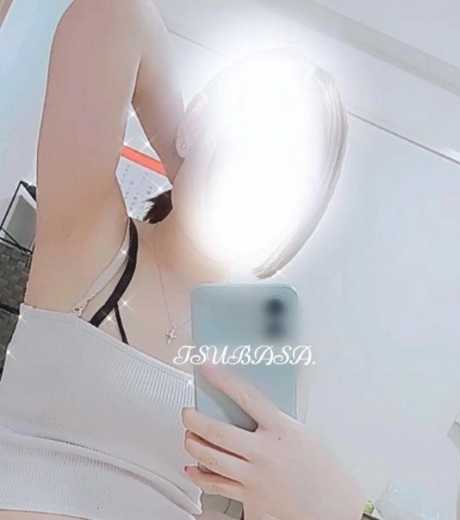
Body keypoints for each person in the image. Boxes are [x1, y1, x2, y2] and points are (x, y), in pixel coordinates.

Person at [0, 0, 360, 519]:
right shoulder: (91, 237)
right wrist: (191, 155)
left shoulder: (267, 346)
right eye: (253, 134)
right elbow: (116, 14)